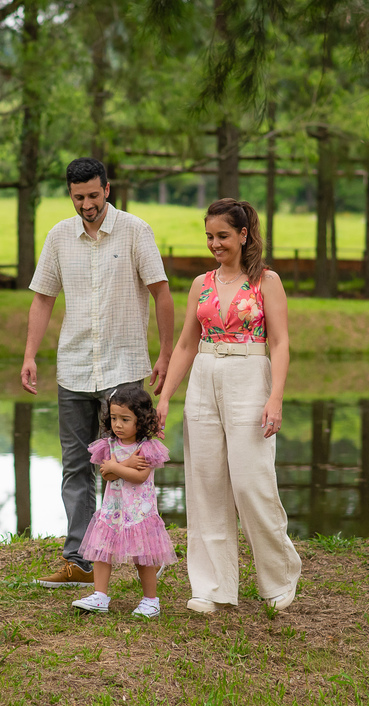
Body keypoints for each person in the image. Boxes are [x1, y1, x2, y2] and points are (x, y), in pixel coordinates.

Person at [22, 157, 174, 588]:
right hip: (73, 368)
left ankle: (142, 554)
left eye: (92, 195)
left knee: (129, 461)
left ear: (107, 188)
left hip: (122, 368)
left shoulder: (135, 231)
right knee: (75, 465)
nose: (86, 204)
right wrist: (30, 355)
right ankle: (79, 560)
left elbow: (161, 293)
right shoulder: (58, 237)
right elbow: (42, 299)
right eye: (78, 197)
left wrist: (164, 353)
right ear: (69, 194)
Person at [155, 198, 301, 613]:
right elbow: (185, 344)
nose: (214, 244)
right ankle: (213, 587)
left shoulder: (266, 282)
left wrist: (276, 396)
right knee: (205, 484)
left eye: (222, 236)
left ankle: (279, 577)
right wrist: (166, 397)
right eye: (209, 237)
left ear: (243, 234)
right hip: (204, 376)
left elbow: (281, 342)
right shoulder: (201, 284)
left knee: (251, 483)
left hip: (249, 376)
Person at [70, 386, 176, 618]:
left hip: (139, 513)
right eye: (114, 418)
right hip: (112, 511)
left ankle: (151, 601)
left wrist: (119, 466)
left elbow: (139, 477)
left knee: (144, 558)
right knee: (101, 553)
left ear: (142, 420)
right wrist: (122, 466)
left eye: (125, 419)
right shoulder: (108, 445)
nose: (118, 424)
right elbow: (106, 475)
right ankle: (100, 596)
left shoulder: (146, 448)